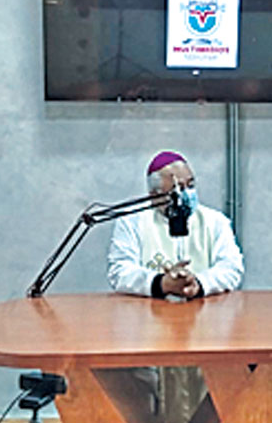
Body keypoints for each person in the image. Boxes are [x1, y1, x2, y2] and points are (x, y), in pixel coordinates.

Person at [105, 150, 244, 423]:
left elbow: (232, 267)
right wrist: (162, 284)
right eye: (177, 188)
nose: (186, 193)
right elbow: (120, 271)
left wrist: (199, 283)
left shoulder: (214, 221)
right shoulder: (132, 222)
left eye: (190, 185)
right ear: (154, 195)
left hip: (208, 333)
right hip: (149, 335)